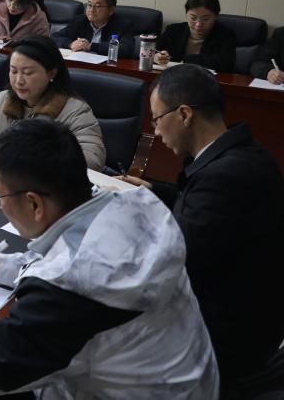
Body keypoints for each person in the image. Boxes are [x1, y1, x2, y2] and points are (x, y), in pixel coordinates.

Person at [0, 119, 218, 398]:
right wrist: (5, 267)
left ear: (34, 204)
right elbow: (85, 260)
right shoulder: (132, 205)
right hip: (188, 381)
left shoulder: (68, 295)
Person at [119, 64, 284, 392]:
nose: (156, 131)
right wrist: (154, 191)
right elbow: (204, 212)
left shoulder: (226, 177)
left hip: (226, 338)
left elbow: (174, 259)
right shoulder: (241, 153)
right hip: (248, 313)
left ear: (184, 114)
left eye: (156, 119)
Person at [0, 36, 106, 171]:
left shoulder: (75, 112)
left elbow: (91, 158)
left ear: (51, 73)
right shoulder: (2, 99)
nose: (19, 80)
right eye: (13, 71)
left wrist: (35, 166)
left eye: (28, 72)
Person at [155, 0, 236, 72]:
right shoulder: (173, 31)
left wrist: (188, 59)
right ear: (186, 14)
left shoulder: (226, 36)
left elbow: (226, 65)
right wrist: (157, 57)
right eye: (193, 18)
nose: (198, 24)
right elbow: (156, 52)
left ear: (216, 17)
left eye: (206, 19)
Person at [52, 0, 137, 57]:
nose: (91, 10)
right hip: (80, 64)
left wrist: (91, 46)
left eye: (97, 6)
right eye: (89, 5)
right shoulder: (80, 20)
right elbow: (54, 38)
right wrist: (70, 44)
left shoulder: (123, 25)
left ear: (111, 10)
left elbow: (126, 49)